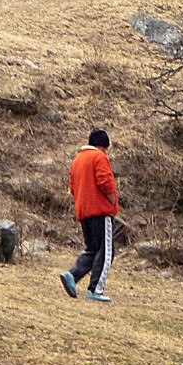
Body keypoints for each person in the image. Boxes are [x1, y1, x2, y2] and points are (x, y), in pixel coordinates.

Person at [60, 128, 118, 302]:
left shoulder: (77, 160)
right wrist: (112, 201)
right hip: (100, 211)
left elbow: (72, 187)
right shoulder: (99, 157)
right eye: (106, 149)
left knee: (92, 249)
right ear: (102, 146)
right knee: (106, 251)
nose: (106, 152)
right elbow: (105, 182)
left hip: (83, 212)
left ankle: (72, 275)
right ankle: (95, 290)